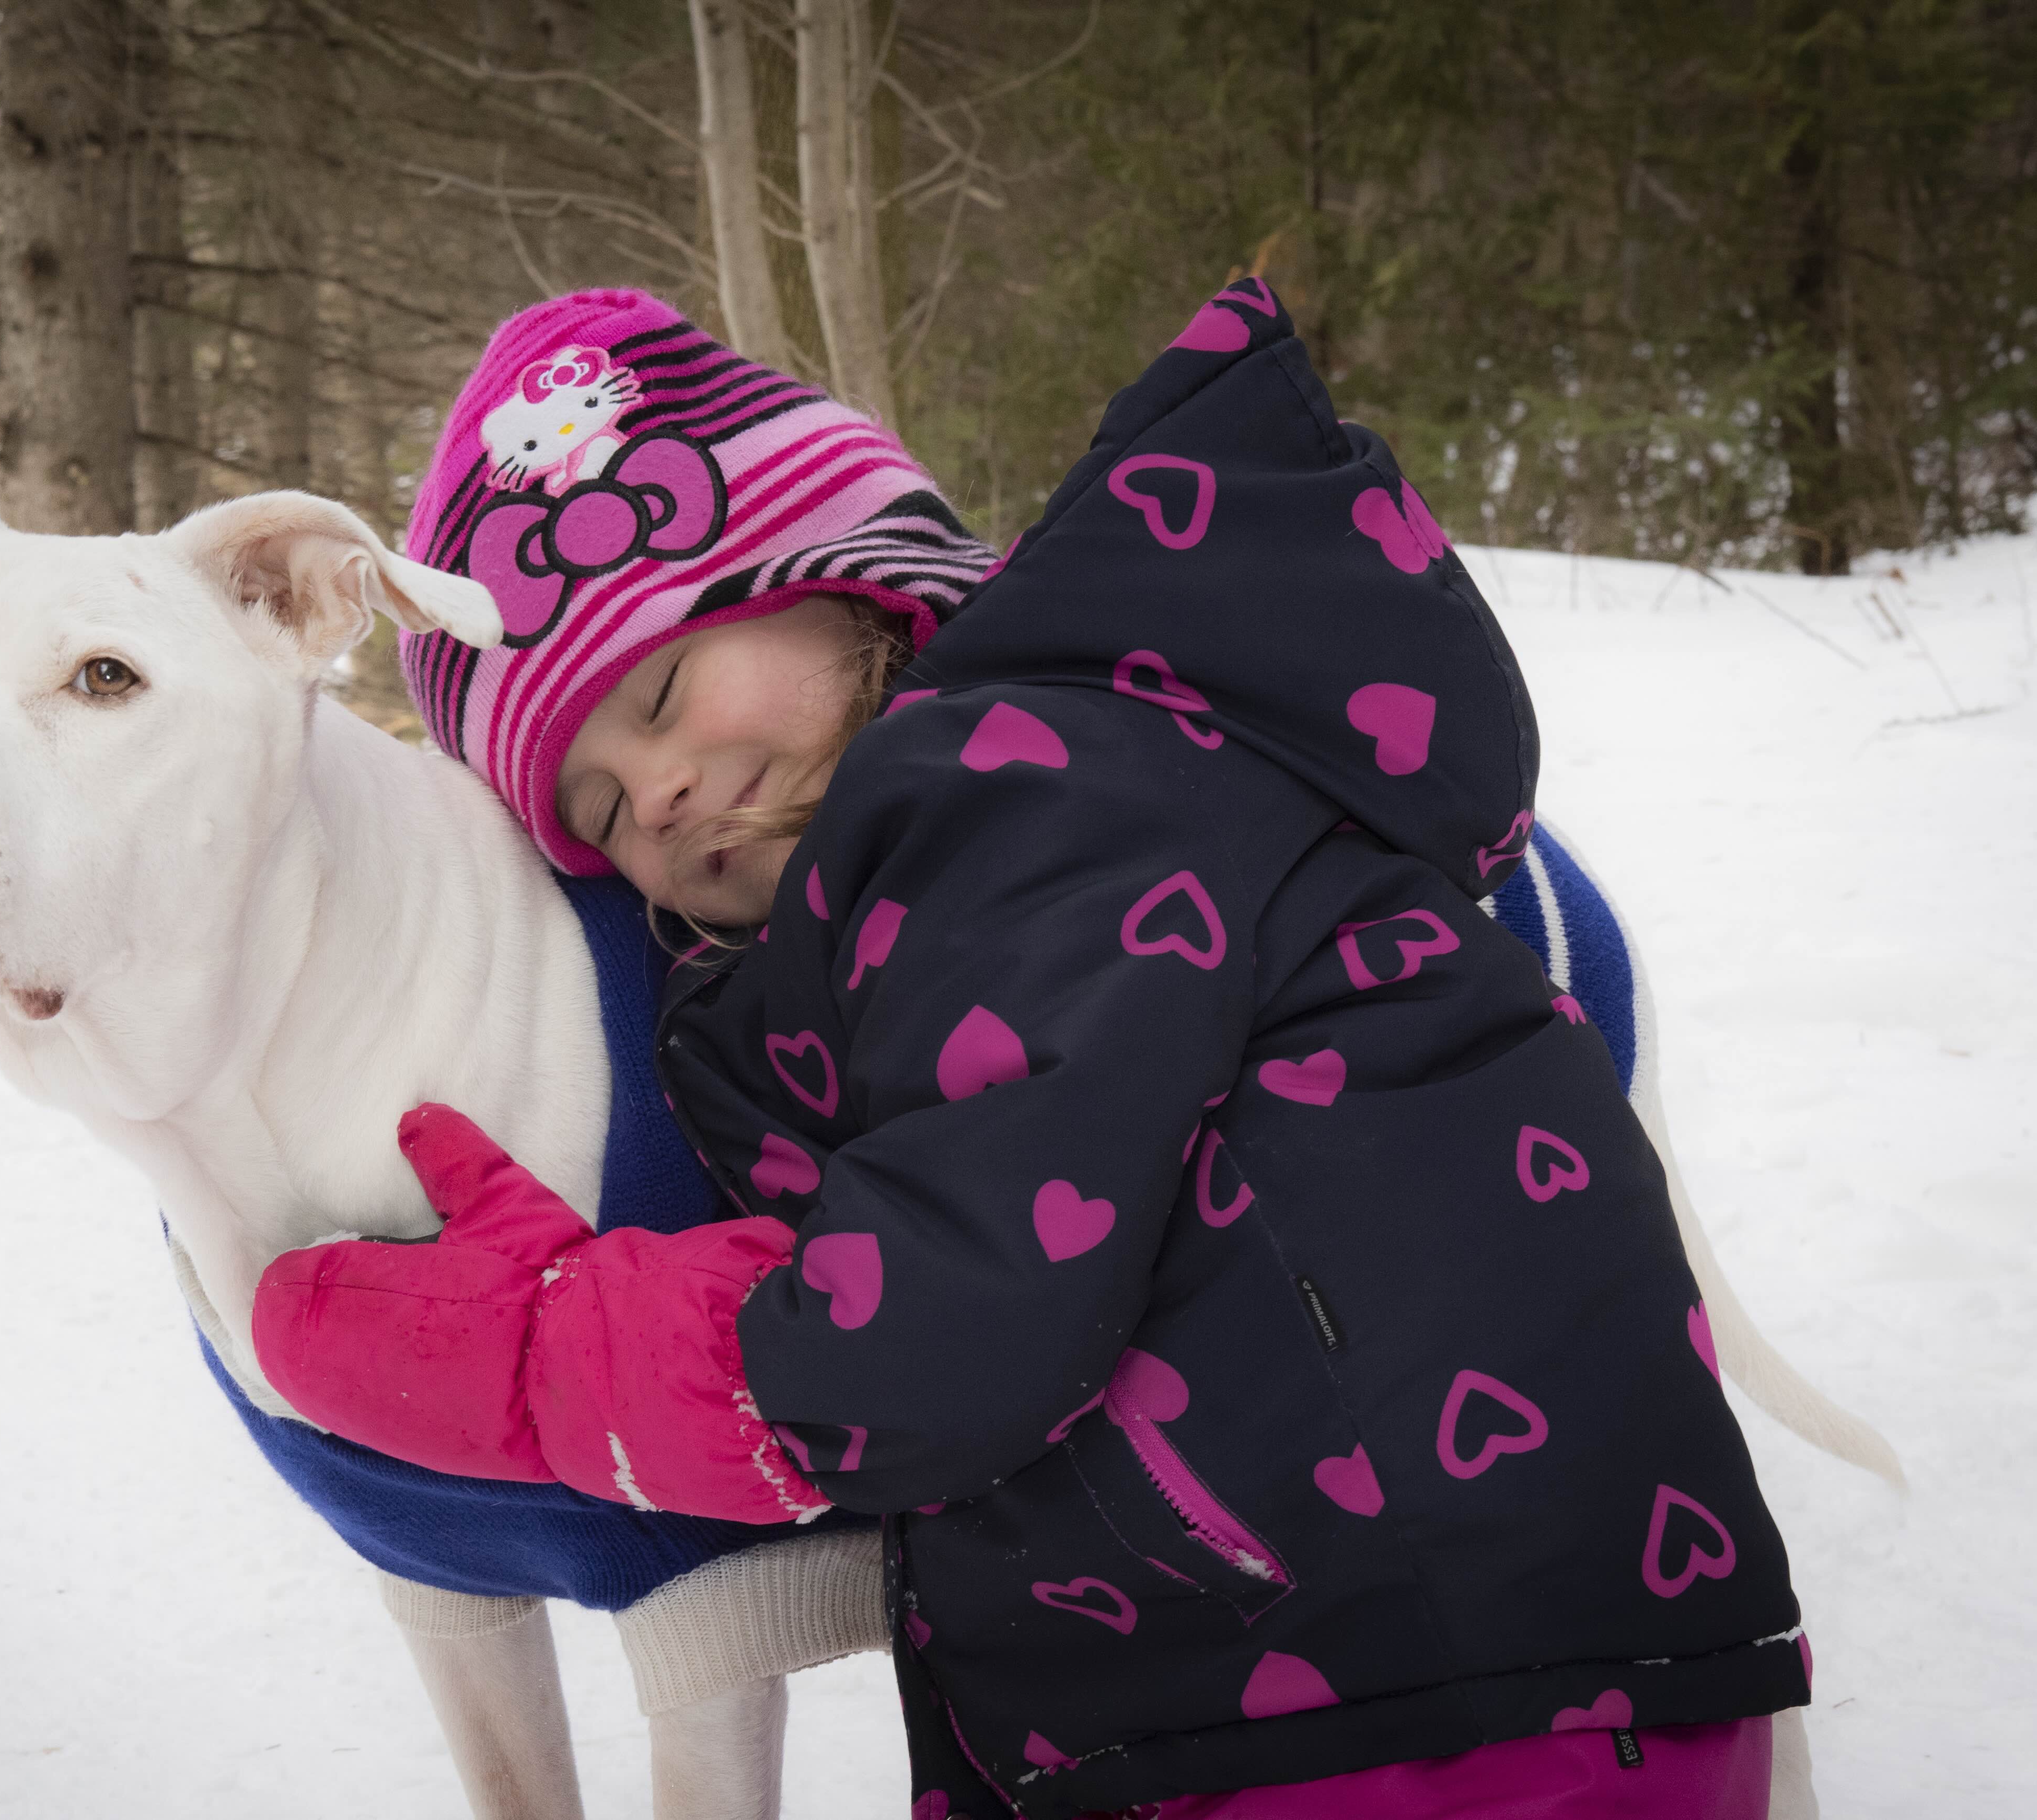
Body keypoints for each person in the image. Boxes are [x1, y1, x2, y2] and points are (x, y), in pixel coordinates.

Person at [254, 287, 1809, 1817]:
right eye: (592, 807)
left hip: (1424, 1715)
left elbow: (934, 1340)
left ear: (846, 575)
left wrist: (541, 1346)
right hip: (1376, 1690)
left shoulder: (1027, 796)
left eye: (660, 692)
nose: (652, 795)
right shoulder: (973, 864)